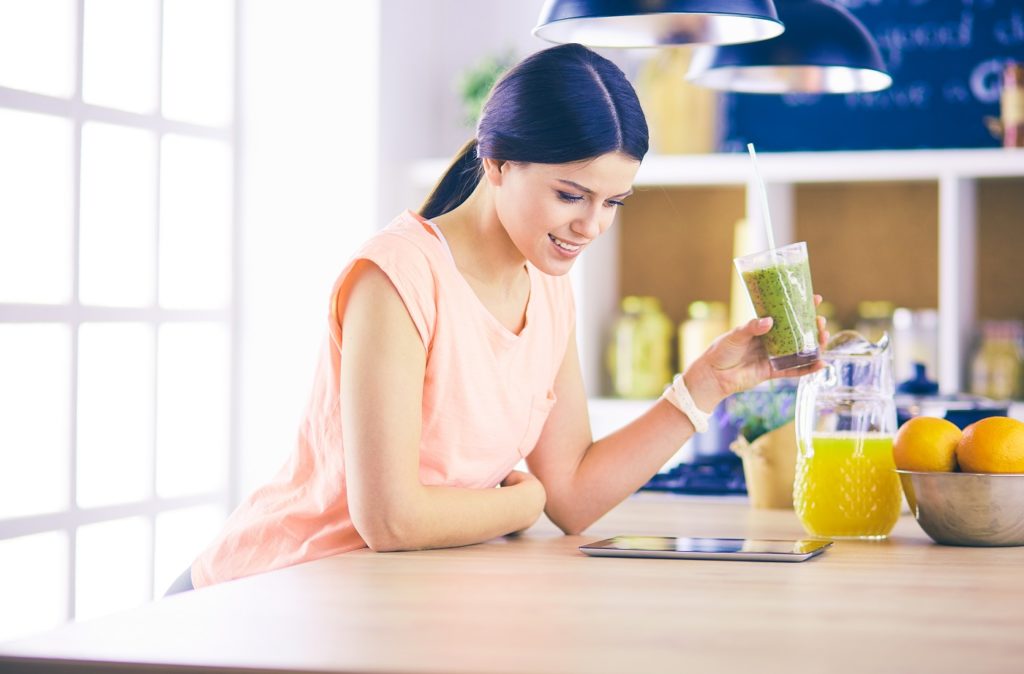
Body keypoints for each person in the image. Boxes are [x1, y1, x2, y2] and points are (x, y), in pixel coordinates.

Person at [168, 43, 826, 594]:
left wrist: (705, 386)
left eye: (613, 202)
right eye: (570, 195)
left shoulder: (547, 289)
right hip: (263, 591)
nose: (591, 225)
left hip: (377, 600)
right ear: (497, 163)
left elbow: (571, 496)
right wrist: (522, 501)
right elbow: (391, 520)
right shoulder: (397, 276)